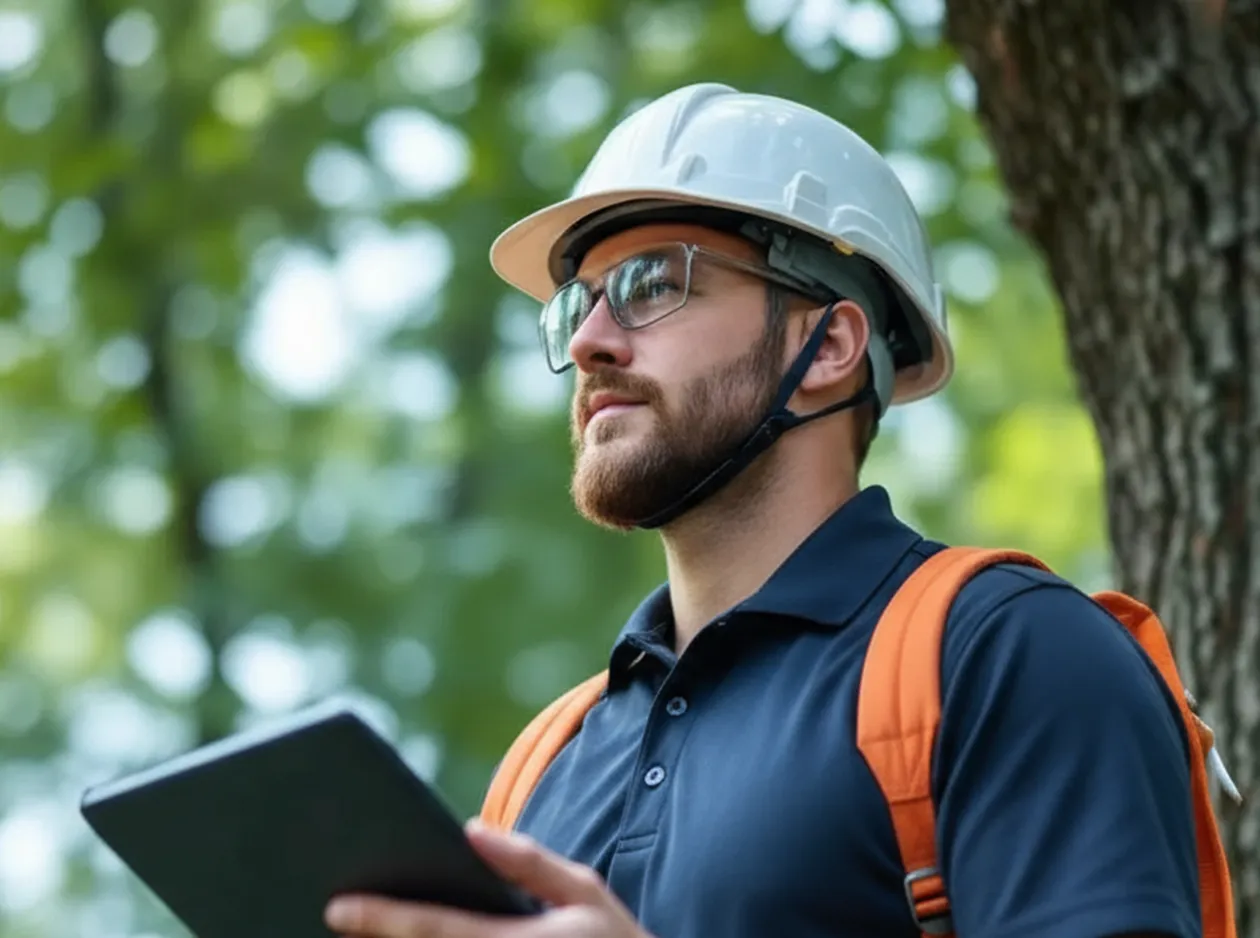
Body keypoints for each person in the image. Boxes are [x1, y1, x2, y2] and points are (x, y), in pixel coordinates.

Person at [324, 84, 1203, 938]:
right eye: (580, 303)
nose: (590, 340)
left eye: (651, 283)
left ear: (827, 345)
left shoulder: (1007, 654)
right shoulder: (543, 767)